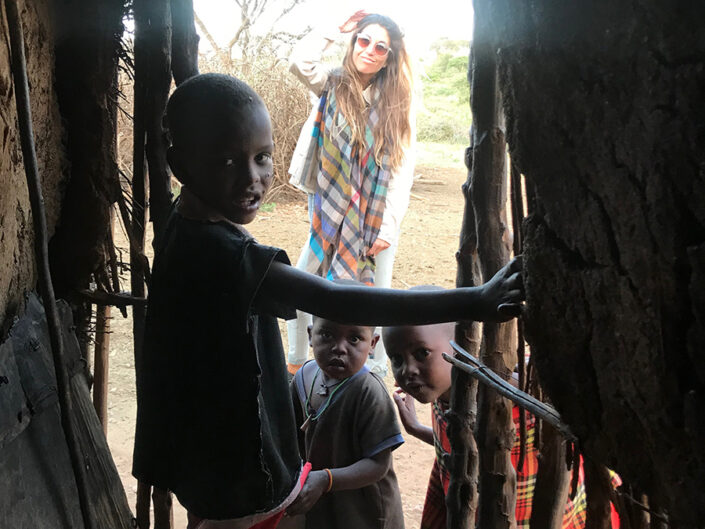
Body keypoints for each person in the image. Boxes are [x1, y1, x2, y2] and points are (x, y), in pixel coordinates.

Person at [132, 73, 523, 529]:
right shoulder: (225, 256)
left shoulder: (180, 226)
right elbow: (335, 298)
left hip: (199, 454)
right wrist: (476, 301)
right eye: (228, 161)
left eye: (262, 157)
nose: (253, 178)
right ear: (181, 165)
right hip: (236, 473)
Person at [384, 291, 600, 529]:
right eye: (396, 359)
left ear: (460, 344)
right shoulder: (442, 397)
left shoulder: (516, 396)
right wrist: (417, 429)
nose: (408, 370)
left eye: (422, 353)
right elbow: (461, 447)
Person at [286, 11, 416, 377]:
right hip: (329, 209)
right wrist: (334, 27)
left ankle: (374, 370)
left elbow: (401, 169)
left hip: (376, 215)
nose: (370, 51)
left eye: (380, 47)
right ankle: (297, 362)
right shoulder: (331, 84)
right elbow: (300, 62)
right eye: (364, 40)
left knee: (375, 296)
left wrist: (388, 227)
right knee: (302, 283)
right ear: (354, 42)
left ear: (389, 57)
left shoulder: (397, 104)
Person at [287, 312, 404, 528]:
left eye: (354, 338)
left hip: (364, 509)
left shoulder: (369, 392)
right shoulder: (303, 377)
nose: (339, 348)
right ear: (311, 335)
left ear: (372, 344)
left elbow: (378, 464)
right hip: (322, 501)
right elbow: (291, 436)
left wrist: (326, 479)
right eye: (327, 335)